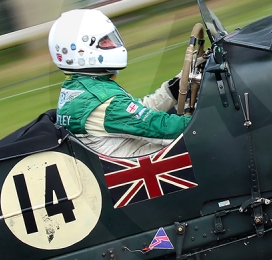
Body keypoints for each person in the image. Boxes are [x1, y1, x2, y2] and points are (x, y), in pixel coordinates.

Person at [49, 9, 188, 157]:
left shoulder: (81, 86)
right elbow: (162, 128)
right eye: (104, 41)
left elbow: (139, 113)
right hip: (141, 166)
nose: (112, 43)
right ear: (81, 51)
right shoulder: (100, 100)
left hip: (132, 155)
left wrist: (175, 88)